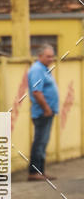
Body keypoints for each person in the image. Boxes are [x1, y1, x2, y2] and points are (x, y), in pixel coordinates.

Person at [27, 43, 59, 181]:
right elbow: (36, 91)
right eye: (48, 56)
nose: (51, 59)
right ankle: (34, 172)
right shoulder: (37, 70)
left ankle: (40, 171)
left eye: (52, 56)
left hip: (48, 112)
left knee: (43, 142)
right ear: (39, 56)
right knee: (39, 142)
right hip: (42, 112)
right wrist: (46, 108)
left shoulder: (45, 69)